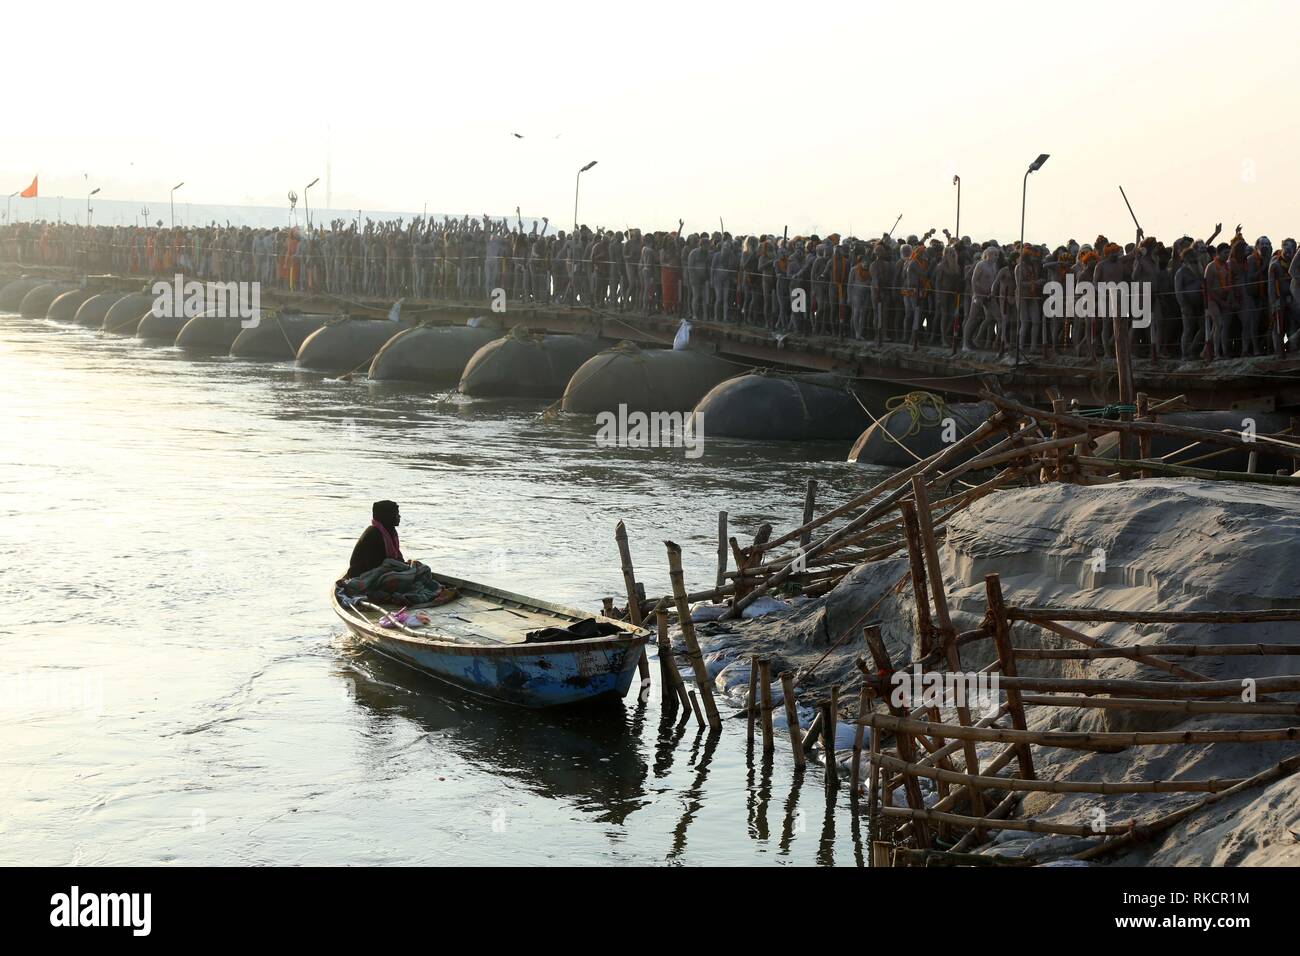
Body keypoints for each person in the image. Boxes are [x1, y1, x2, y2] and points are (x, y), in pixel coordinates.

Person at [347, 500, 404, 578]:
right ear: (387, 516)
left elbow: (396, 558)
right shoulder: (373, 534)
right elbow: (373, 565)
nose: (399, 516)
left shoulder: (390, 531)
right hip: (361, 574)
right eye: (396, 513)